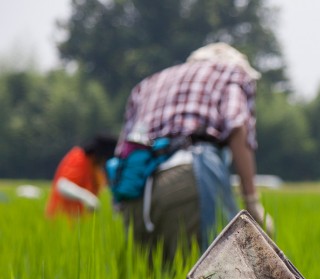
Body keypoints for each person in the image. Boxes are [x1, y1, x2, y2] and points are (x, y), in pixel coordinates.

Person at [111, 42, 273, 264]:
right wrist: (251, 200)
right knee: (210, 277)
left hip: (136, 188)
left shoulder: (147, 83)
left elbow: (123, 150)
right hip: (188, 176)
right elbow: (237, 126)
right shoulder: (231, 73)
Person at [45, 134, 117, 221]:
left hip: (78, 221)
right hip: (61, 219)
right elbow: (63, 185)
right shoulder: (78, 158)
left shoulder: (95, 168)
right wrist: (88, 198)